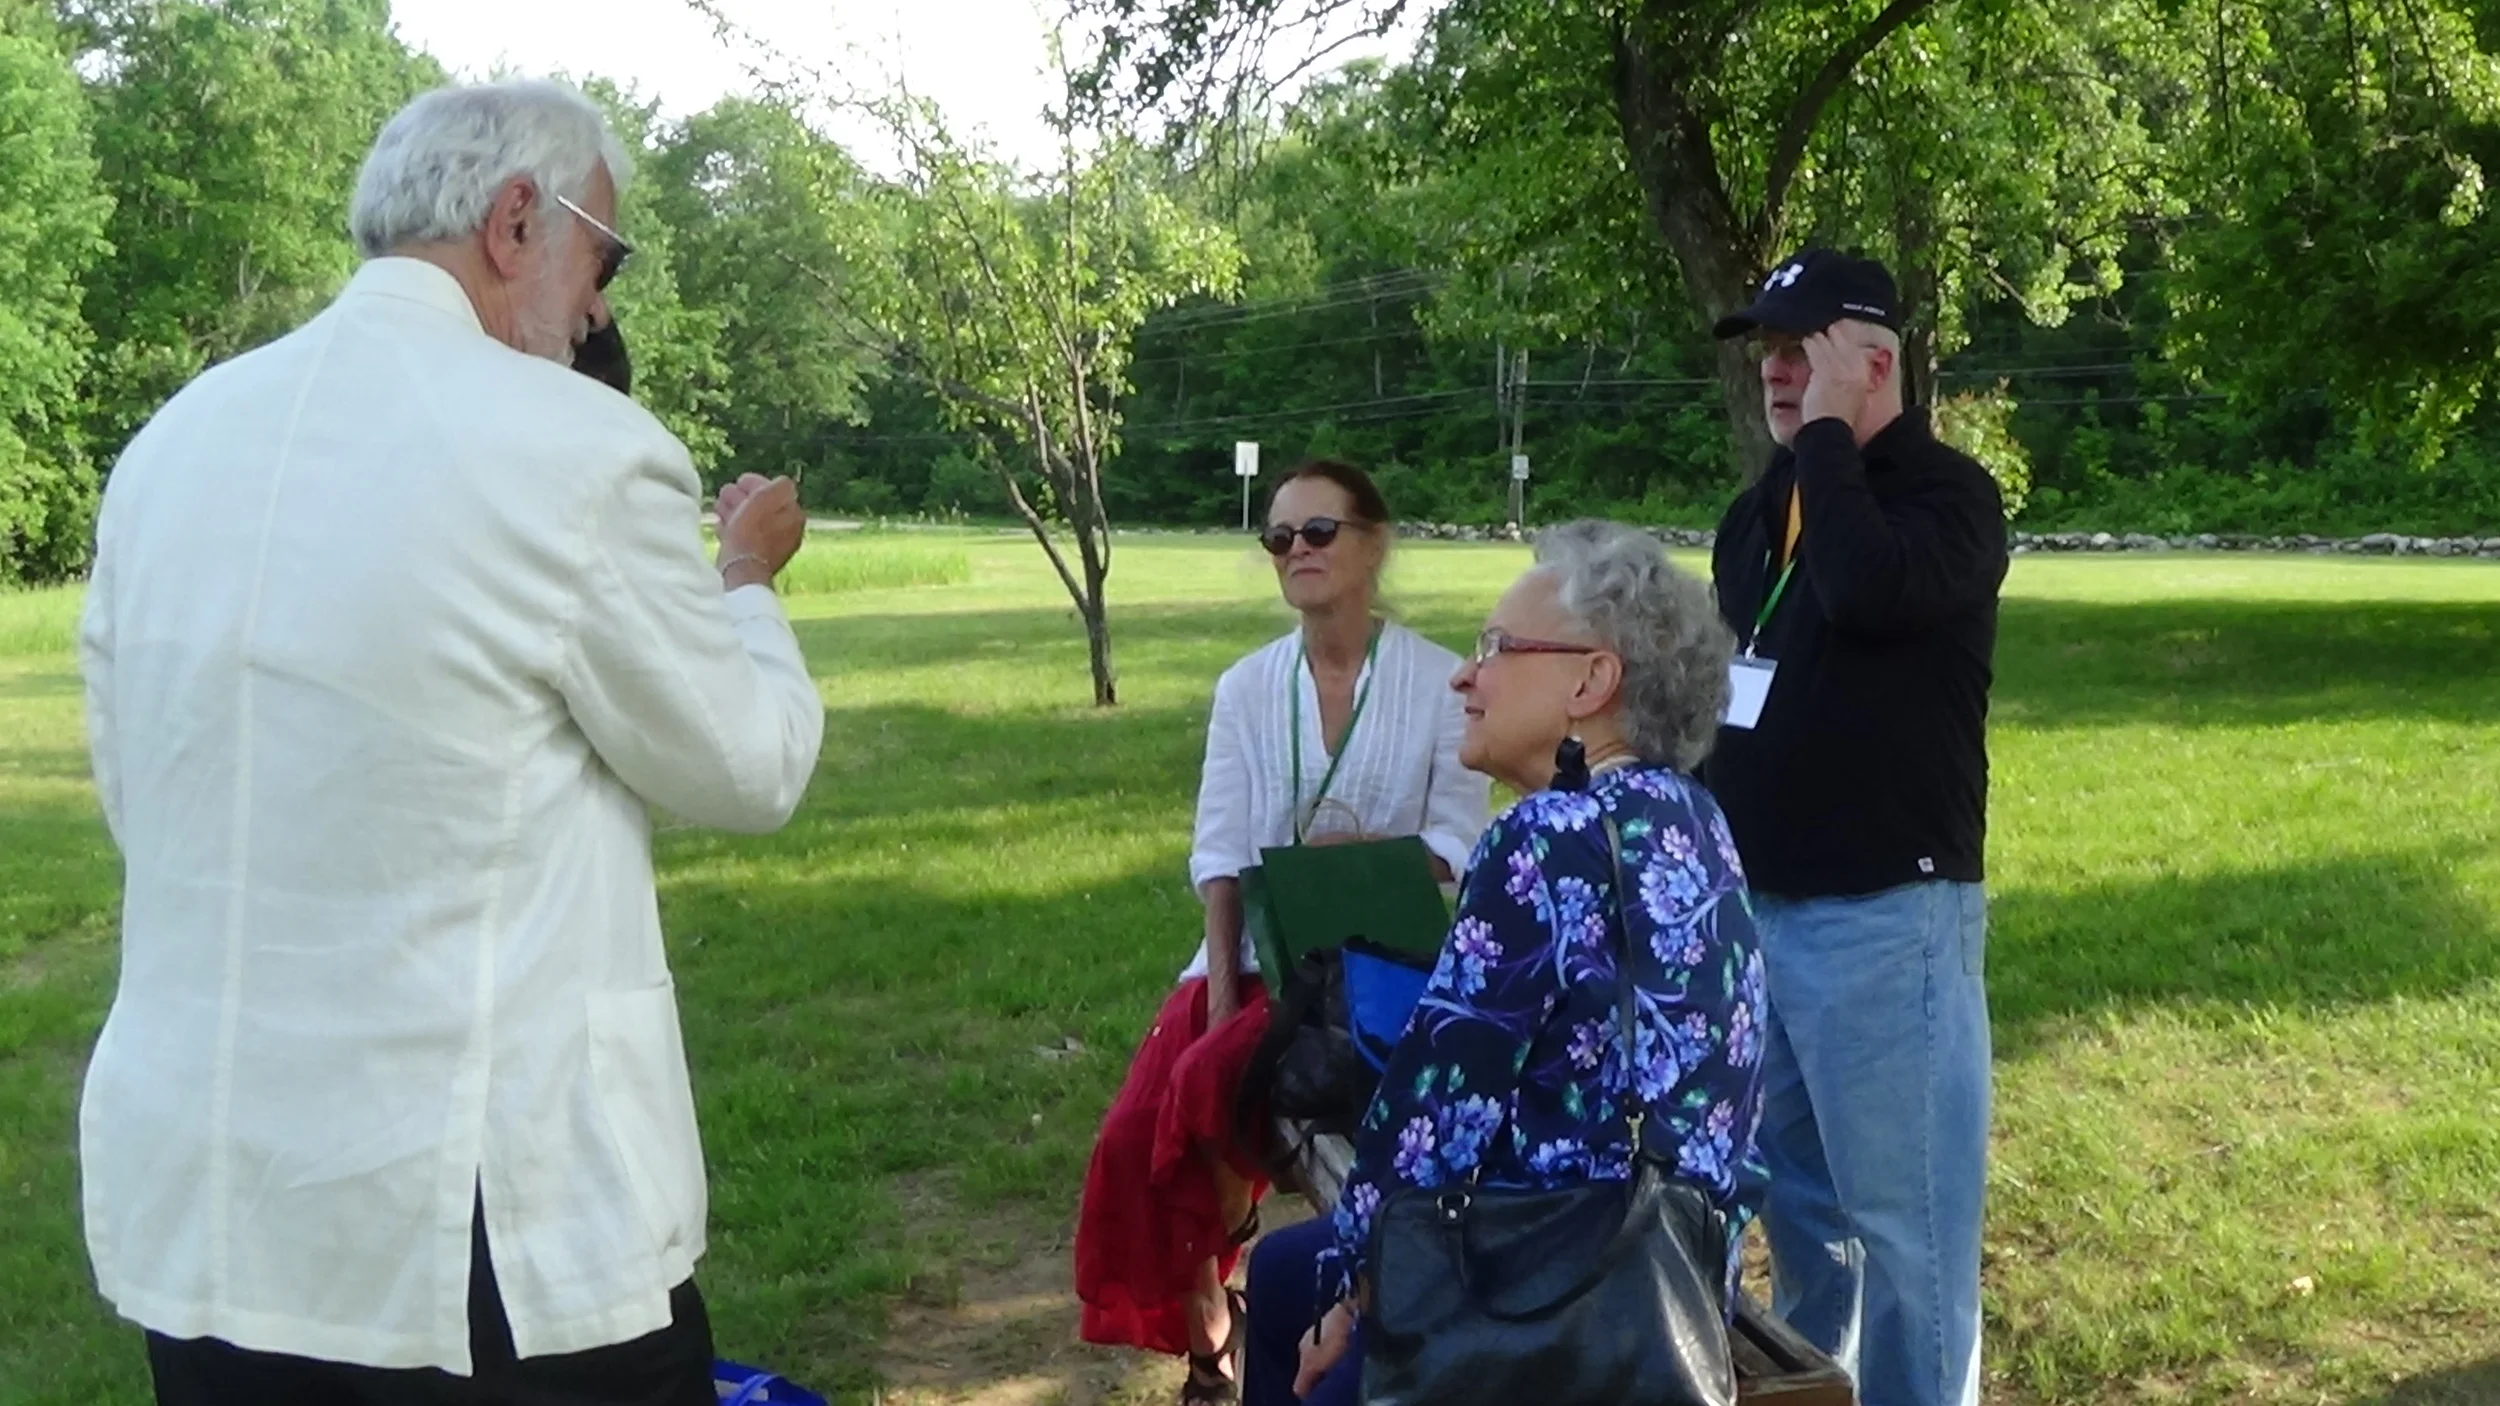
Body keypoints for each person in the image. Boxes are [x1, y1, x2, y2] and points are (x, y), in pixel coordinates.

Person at [74, 79, 826, 1405]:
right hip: (474, 1229)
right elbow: (749, 763)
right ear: (516, 219)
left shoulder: (166, 448)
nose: (601, 307)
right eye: (607, 255)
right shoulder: (578, 448)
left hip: (208, 1204)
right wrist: (746, 583)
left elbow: (146, 796)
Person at [1244, 520, 1767, 1406]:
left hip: (1554, 1301)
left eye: (1495, 648)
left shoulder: (1548, 836)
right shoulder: (1691, 817)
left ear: (1590, 681)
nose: (1463, 672)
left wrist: (1349, 1291)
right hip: (1671, 1267)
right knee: (1288, 1265)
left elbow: (1430, 1117)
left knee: (1305, 1297)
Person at [1076, 460, 1491, 1404]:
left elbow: (1457, 839)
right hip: (1262, 962)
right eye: (1278, 538)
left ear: (1372, 543)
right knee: (1147, 1124)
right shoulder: (1246, 687)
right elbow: (1220, 856)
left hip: (1383, 967)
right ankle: (1212, 1337)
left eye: (1317, 533)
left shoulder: (1437, 679)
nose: (1295, 552)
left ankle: (1341, 1309)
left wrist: (1365, 856)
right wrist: (1222, 1002)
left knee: (1232, 1099)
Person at [1703, 247, 2009, 1406]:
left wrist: (1830, 439)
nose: (1776, 374)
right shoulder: (1762, 510)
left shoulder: (1947, 497)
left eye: (1801, 350)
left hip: (1886, 919)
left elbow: (1869, 589)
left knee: (1908, 1234)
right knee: (1799, 1216)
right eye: (1768, 354)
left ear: (1873, 358)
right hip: (1763, 911)